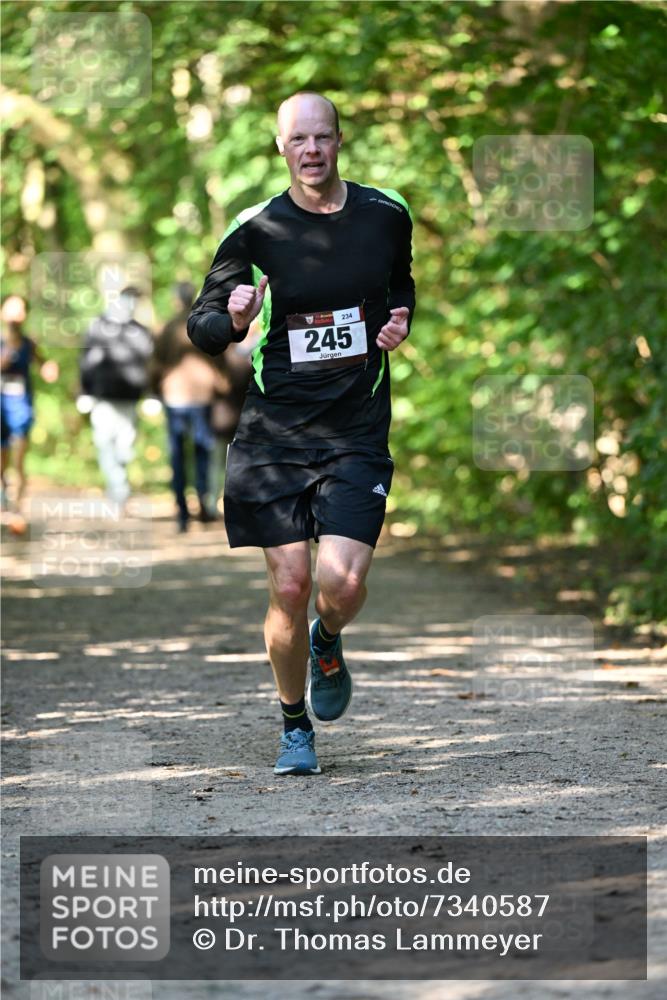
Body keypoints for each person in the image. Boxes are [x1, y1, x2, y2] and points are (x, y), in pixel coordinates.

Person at [188, 91, 415, 776]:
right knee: (288, 585)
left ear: (339, 139)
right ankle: (294, 725)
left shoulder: (385, 214)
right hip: (272, 434)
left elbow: (398, 283)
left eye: (322, 138)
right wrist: (229, 316)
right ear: (279, 148)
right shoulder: (254, 229)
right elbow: (201, 330)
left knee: (338, 589)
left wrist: (400, 319)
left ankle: (328, 639)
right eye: (297, 140)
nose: (310, 151)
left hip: (354, 429)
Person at [151, 281, 232, 532]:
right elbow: (220, 359)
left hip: (175, 398)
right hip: (202, 398)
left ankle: (182, 514)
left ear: (176, 299)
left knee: (178, 455)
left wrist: (155, 391)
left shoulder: (168, 327)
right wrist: (222, 389)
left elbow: (155, 363)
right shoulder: (203, 323)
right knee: (202, 453)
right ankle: (203, 507)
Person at [80, 286, 152, 507]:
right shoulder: (98, 326)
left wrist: (150, 394)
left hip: (129, 399)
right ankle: (118, 490)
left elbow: (149, 364)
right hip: (102, 399)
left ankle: (119, 487)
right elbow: (86, 361)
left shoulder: (140, 331)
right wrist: (85, 392)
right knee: (105, 444)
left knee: (124, 448)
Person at [1, 294, 58, 517]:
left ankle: (18, 507)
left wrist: (49, 370)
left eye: (20, 309)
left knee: (19, 458)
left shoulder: (29, 343)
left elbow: (44, 365)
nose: (16, 314)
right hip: (0, 407)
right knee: (2, 458)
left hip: (21, 407)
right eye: (11, 308)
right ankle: (4, 493)